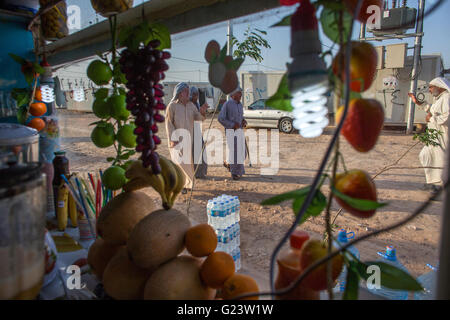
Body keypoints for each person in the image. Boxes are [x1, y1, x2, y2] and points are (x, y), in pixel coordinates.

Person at [409, 77, 450, 195]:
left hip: (443, 135)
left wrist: (431, 118)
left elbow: (447, 117)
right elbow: (432, 110)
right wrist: (418, 102)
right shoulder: (440, 98)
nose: (430, 90)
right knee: (425, 155)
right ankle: (433, 182)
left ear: (439, 86)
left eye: (431, 87)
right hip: (434, 136)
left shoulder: (447, 98)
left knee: (441, 160)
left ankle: (439, 185)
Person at [165, 82, 208, 193]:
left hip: (188, 140)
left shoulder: (191, 105)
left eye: (188, 90)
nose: (188, 93)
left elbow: (198, 118)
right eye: (186, 91)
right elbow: (169, 123)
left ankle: (186, 185)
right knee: (180, 164)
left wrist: (202, 112)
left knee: (187, 164)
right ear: (180, 93)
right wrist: (173, 139)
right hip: (176, 141)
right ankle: (181, 185)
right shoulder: (172, 106)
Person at [218, 86, 247, 180]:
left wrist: (243, 121)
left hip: (240, 131)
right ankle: (234, 172)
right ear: (233, 94)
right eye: (239, 93)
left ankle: (230, 165)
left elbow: (240, 117)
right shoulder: (227, 104)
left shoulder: (240, 105)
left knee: (243, 151)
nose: (241, 95)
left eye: (241, 92)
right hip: (231, 131)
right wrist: (232, 124)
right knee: (235, 152)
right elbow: (220, 118)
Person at [189, 86, 208, 179]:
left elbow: (200, 119)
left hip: (197, 130)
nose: (196, 97)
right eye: (194, 94)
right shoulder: (187, 105)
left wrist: (202, 112)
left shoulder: (196, 104)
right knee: (192, 153)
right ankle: (193, 173)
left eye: (197, 94)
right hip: (189, 132)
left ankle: (200, 172)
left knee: (201, 151)